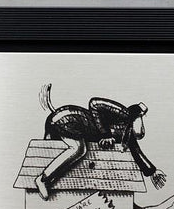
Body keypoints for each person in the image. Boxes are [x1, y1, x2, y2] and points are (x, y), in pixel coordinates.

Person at [35, 84, 166, 200]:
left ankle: (45, 179)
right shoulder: (124, 114)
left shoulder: (127, 134)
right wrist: (106, 134)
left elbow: (136, 151)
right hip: (71, 120)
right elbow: (94, 103)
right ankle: (42, 179)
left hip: (69, 125)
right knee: (78, 150)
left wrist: (152, 171)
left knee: (51, 151)